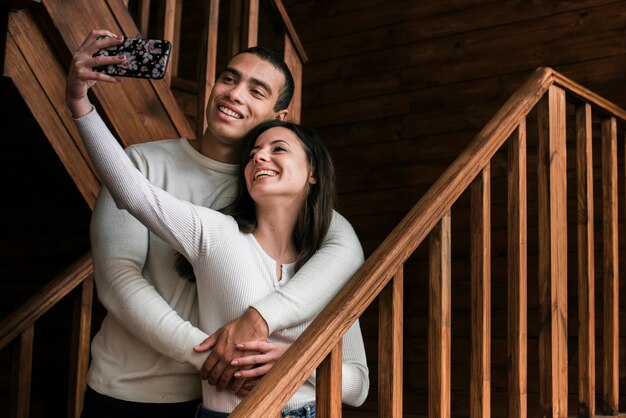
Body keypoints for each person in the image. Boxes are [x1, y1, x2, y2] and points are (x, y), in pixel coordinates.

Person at [67, 30, 366, 417]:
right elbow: (117, 277)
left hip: (229, 397)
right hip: (135, 389)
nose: (235, 93)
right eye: (229, 78)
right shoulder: (142, 166)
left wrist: (264, 323)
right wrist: (211, 357)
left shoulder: (271, 193)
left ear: (279, 116)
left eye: (256, 91)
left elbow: (346, 249)